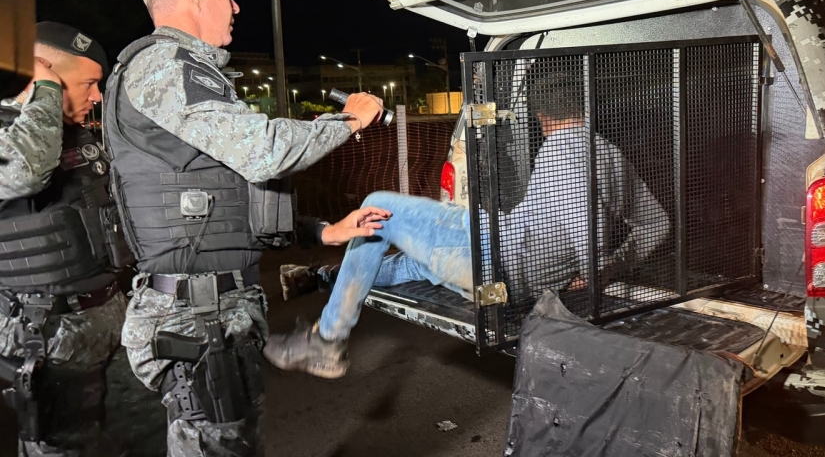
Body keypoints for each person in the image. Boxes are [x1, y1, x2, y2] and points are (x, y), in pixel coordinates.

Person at [102, 0, 388, 457]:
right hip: (194, 314)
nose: (235, 7)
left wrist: (323, 231)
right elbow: (264, 152)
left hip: (209, 307)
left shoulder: (191, 73)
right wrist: (351, 119)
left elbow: (230, 196)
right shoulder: (166, 63)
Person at [264, 69, 669, 379]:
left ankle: (328, 340)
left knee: (377, 208)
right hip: (509, 265)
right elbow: (657, 224)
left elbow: (582, 217)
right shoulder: (609, 153)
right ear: (583, 107)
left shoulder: (561, 149)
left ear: (541, 115)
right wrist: (609, 267)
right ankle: (325, 276)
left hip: (495, 261)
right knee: (412, 265)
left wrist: (593, 271)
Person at [0, 22, 130, 457]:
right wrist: (44, 87)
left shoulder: (80, 135)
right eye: (89, 83)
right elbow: (24, 170)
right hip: (47, 337)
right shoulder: (10, 135)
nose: (96, 96)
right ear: (45, 74)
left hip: (113, 321)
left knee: (144, 438)